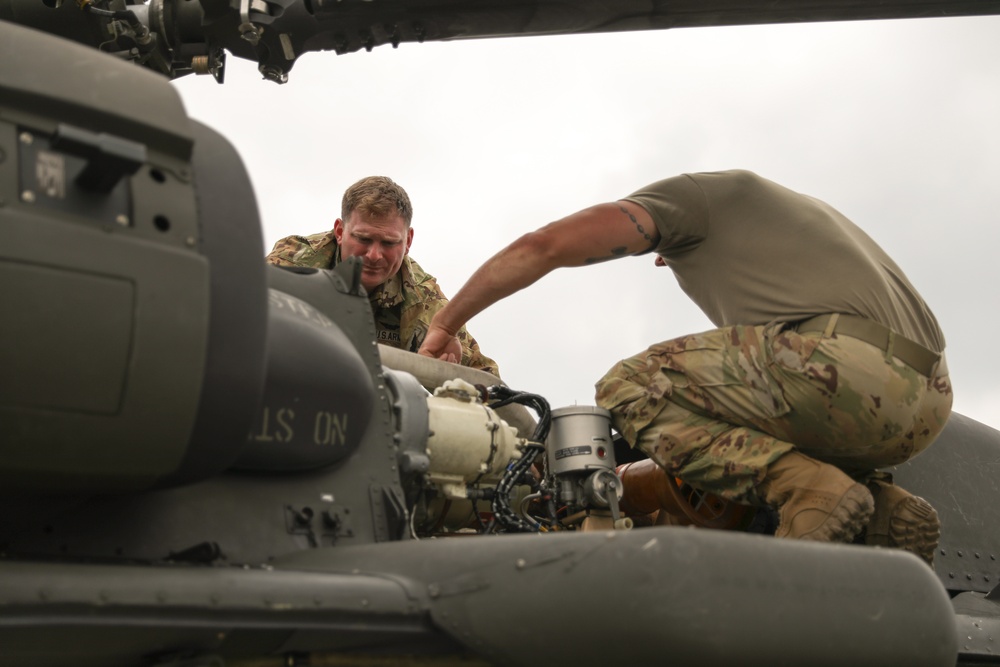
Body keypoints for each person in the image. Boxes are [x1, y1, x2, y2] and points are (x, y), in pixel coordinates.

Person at [419, 169, 951, 562]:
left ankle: (805, 490)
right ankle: (887, 511)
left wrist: (446, 324)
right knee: (749, 417)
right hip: (924, 401)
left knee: (631, 385)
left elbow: (546, 245)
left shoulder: (692, 198)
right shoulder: (786, 218)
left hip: (848, 367)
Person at [267, 175, 500, 376]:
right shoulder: (293, 263)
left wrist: (448, 376)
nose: (374, 255)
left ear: (408, 241)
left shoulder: (420, 297)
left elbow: (487, 380)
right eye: (363, 239)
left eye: (389, 243)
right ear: (340, 231)